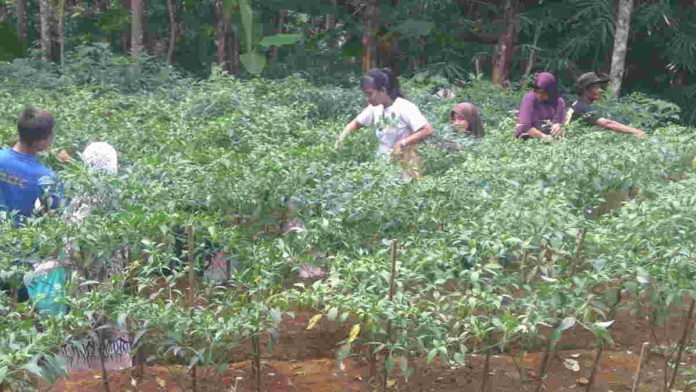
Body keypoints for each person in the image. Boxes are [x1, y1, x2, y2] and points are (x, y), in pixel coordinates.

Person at [334, 68, 434, 180]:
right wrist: (342, 138)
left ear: (383, 90)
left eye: (370, 94)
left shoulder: (404, 107)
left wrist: (402, 143)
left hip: (404, 163)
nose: (368, 99)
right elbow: (356, 123)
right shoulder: (375, 108)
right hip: (382, 164)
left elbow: (427, 130)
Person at [0, 107, 62, 220]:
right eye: (51, 136)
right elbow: (57, 214)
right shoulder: (47, 178)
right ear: (42, 141)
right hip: (22, 236)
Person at [566, 72, 647, 139]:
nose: (600, 90)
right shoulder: (581, 106)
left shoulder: (582, 104)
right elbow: (607, 124)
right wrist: (636, 131)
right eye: (596, 87)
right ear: (586, 89)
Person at [515, 72, 566, 141]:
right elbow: (525, 125)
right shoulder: (529, 99)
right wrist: (543, 136)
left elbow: (561, 123)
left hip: (552, 139)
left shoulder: (559, 102)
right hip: (529, 138)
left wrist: (558, 126)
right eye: (537, 92)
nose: (539, 96)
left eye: (542, 93)